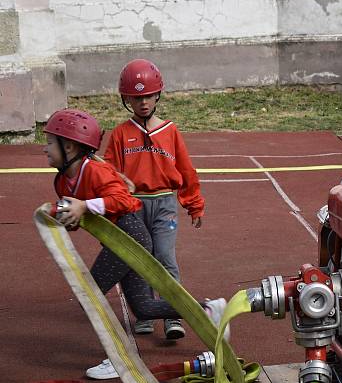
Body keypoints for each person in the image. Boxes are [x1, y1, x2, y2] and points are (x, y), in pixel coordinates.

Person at [43, 109, 227, 380]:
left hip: (129, 238)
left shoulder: (94, 171)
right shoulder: (62, 181)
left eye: (49, 143)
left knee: (89, 296)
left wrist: (84, 205)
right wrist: (67, 218)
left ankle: (118, 357)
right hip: (119, 241)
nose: (44, 150)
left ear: (69, 146)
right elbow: (82, 217)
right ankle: (209, 309)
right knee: (143, 308)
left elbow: (126, 202)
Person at [105, 59, 206, 340]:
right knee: (139, 260)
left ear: (158, 94)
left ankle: (174, 314)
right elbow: (108, 174)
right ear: (126, 99)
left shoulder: (170, 131)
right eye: (136, 98)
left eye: (148, 95)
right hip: (132, 206)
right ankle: (146, 313)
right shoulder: (119, 134)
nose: (144, 102)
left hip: (164, 205)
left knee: (164, 257)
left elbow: (186, 171)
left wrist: (194, 204)